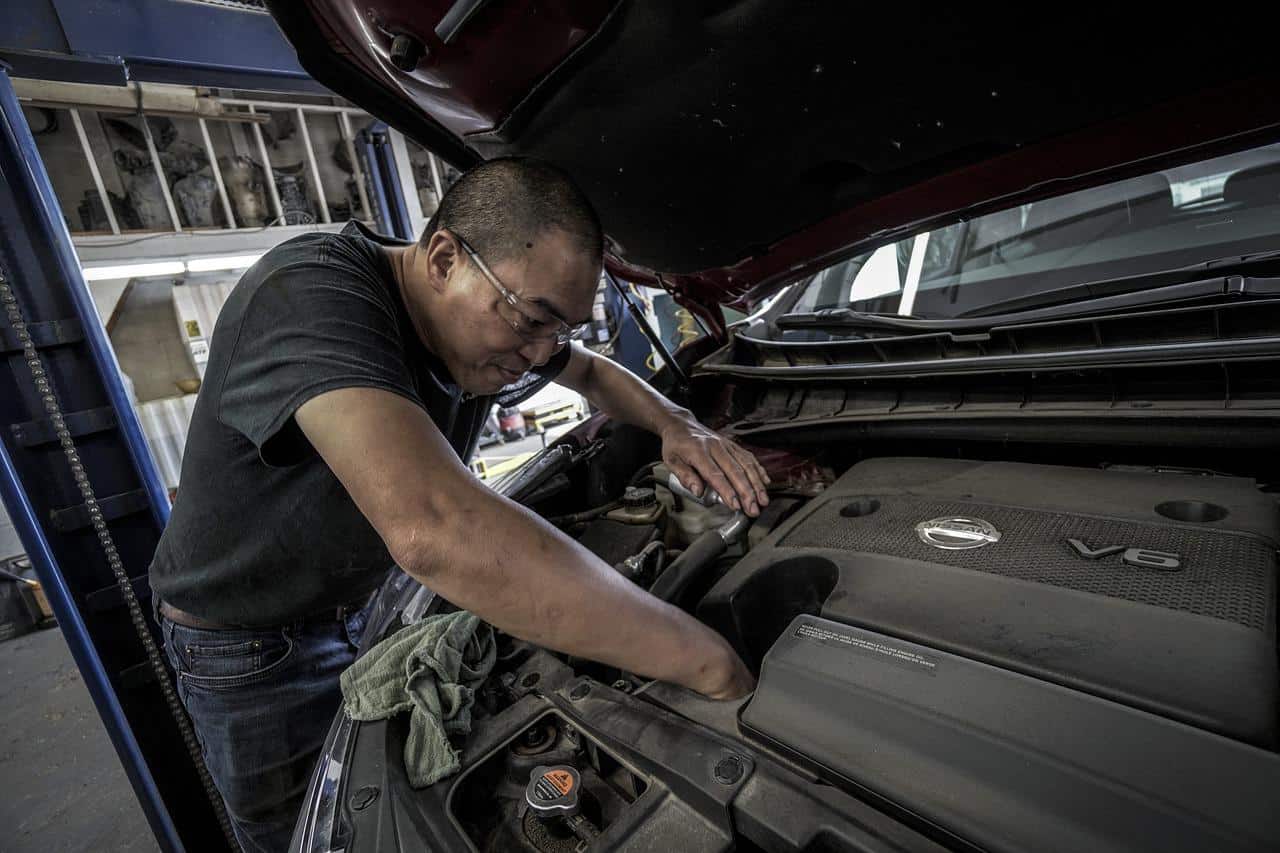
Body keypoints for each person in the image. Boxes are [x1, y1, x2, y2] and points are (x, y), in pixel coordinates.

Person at [148, 157, 766, 852]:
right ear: (444, 258)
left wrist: (674, 423)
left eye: (557, 330)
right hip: (254, 646)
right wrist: (702, 659)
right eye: (533, 321)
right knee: (309, 837)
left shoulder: (480, 308)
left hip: (367, 601)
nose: (538, 355)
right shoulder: (310, 296)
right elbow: (434, 528)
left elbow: (589, 369)